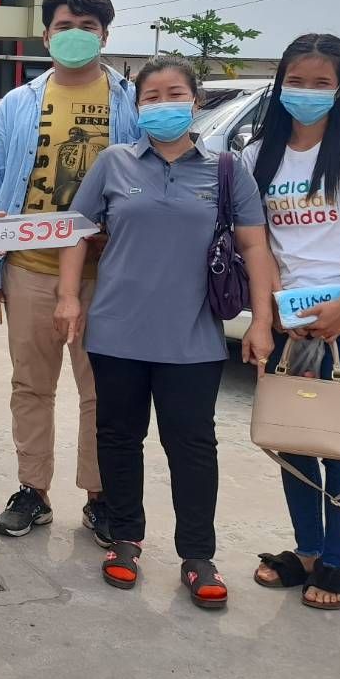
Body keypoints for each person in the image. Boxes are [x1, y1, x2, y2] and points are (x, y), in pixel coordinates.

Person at [54, 54, 277, 609]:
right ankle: (125, 538)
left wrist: (261, 322)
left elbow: (254, 246)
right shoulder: (113, 162)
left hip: (192, 337)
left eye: (175, 94)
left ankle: (197, 555)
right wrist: (67, 297)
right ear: (137, 106)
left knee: (193, 445)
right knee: (118, 438)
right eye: (151, 97)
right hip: (117, 332)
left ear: (195, 101)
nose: (163, 105)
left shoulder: (226, 169)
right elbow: (76, 232)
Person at [0, 0, 140, 545]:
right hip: (30, 267)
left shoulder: (130, 103)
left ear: (105, 36)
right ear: (45, 36)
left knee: (102, 391)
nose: (76, 36)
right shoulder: (17, 103)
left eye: (88, 27)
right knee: (31, 384)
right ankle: (33, 490)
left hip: (107, 275)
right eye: (65, 26)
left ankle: (99, 495)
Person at [242, 34, 340, 611]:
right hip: (290, 322)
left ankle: (337, 562)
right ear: (280, 83)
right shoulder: (258, 153)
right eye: (296, 81)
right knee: (293, 441)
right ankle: (307, 551)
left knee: (339, 446)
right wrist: (269, 314)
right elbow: (257, 243)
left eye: (321, 83)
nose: (306, 92)